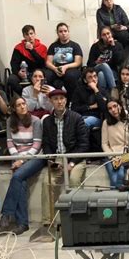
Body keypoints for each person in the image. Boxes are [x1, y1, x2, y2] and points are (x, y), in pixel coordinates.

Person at [0, 97, 46, 235]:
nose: (22, 107)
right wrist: (17, 159)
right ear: (14, 108)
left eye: (24, 104)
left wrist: (21, 161)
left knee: (17, 176)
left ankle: (7, 213)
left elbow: (37, 146)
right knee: (21, 181)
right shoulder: (10, 122)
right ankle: (22, 223)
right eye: (18, 105)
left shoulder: (35, 121)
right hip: (18, 157)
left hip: (35, 157)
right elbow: (9, 143)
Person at [41, 89, 88, 225]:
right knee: (46, 183)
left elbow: (84, 145)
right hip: (57, 159)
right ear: (51, 101)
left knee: (73, 180)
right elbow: (47, 145)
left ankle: (77, 220)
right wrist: (52, 162)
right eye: (56, 99)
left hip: (76, 158)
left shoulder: (77, 118)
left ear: (66, 100)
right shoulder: (47, 122)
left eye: (62, 98)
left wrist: (72, 163)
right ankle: (48, 223)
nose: (59, 101)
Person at [45, 22, 83, 101]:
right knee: (46, 75)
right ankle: (50, 100)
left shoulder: (75, 45)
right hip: (56, 68)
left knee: (70, 76)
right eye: (61, 31)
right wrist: (55, 69)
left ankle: (70, 101)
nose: (63, 33)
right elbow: (48, 62)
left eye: (65, 31)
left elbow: (78, 62)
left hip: (71, 68)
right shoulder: (53, 46)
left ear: (68, 32)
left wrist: (65, 67)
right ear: (57, 33)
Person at [8, 25, 48, 96]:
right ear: (24, 36)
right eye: (27, 34)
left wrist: (32, 50)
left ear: (35, 34)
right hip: (23, 73)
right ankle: (24, 97)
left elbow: (42, 64)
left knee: (45, 76)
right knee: (11, 79)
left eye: (31, 33)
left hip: (36, 72)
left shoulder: (42, 47)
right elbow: (13, 64)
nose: (30, 36)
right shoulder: (18, 48)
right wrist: (18, 72)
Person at [101, 99, 129, 188]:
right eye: (110, 108)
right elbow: (104, 144)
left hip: (127, 154)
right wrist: (112, 157)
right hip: (112, 155)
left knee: (121, 174)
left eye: (115, 106)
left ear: (120, 106)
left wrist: (124, 156)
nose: (113, 110)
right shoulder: (106, 123)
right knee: (114, 179)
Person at [87, 26, 124, 91]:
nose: (107, 36)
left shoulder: (118, 45)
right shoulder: (95, 47)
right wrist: (97, 62)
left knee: (101, 75)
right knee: (104, 65)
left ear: (111, 34)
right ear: (101, 36)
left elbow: (119, 61)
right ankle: (114, 91)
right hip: (96, 70)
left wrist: (113, 46)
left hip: (112, 72)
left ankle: (103, 97)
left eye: (108, 33)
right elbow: (89, 64)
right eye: (104, 35)